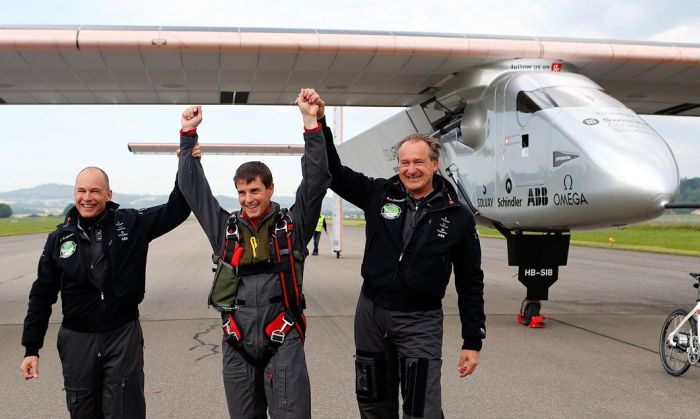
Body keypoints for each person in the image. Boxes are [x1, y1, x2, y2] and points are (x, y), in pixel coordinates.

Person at [316, 101, 486, 418]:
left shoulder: (458, 215)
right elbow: (334, 174)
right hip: (371, 314)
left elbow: (470, 280)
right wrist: (319, 123)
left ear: (435, 164)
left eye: (419, 162)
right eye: (404, 162)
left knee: (423, 408)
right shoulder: (380, 194)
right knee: (373, 403)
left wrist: (472, 340)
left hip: (419, 321)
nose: (411, 169)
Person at [177, 88, 330, 419]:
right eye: (242, 192)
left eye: (255, 190)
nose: (248, 198)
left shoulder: (293, 226)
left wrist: (310, 123)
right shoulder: (226, 231)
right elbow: (194, 191)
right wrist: (188, 135)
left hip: (282, 338)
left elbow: (316, 181)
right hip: (237, 341)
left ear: (270, 189)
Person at [20, 166, 191, 418]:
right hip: (77, 339)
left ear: (108, 194)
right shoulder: (58, 239)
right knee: (83, 409)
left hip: (122, 334)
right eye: (81, 191)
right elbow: (42, 295)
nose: (87, 197)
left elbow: (177, 209)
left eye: (95, 191)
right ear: (74, 194)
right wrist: (31, 348)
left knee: (125, 409)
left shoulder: (131, 223)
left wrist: (186, 159)